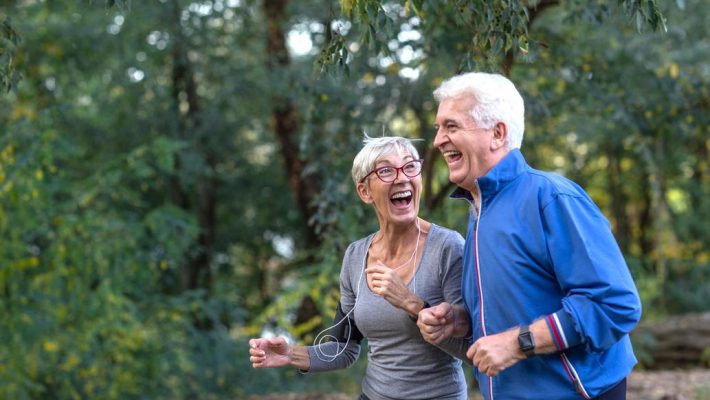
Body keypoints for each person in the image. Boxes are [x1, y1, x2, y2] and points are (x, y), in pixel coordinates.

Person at [416, 72, 642, 400]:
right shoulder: (479, 210)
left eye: (451, 126)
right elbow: (516, 307)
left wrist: (517, 343)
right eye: (438, 128)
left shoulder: (551, 197)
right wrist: (461, 321)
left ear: (497, 133)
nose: (438, 140)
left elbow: (614, 304)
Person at [249, 135, 470, 400]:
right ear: (365, 192)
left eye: (410, 166)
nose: (401, 178)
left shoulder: (448, 247)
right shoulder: (355, 256)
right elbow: (344, 348)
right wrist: (290, 354)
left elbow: (469, 347)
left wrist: (411, 303)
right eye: (386, 171)